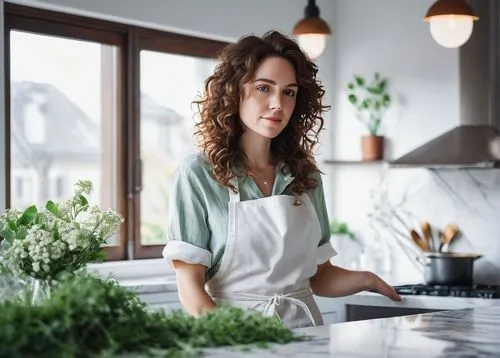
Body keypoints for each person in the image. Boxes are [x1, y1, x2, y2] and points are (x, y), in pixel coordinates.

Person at [162, 30, 401, 329]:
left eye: (288, 92)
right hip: (234, 335)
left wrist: (367, 279)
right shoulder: (198, 174)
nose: (278, 103)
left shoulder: (305, 174)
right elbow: (191, 289)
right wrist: (237, 340)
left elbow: (320, 276)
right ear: (235, 92)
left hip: (305, 335)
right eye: (264, 88)